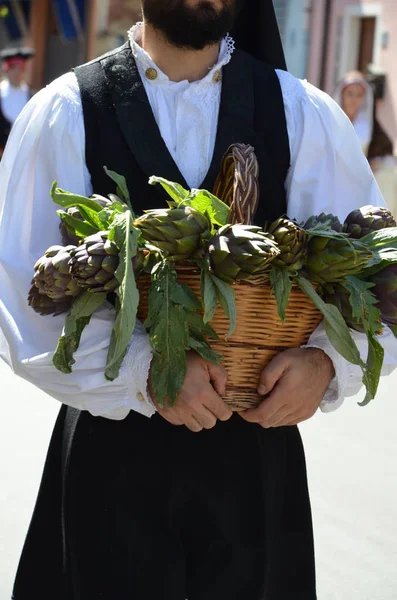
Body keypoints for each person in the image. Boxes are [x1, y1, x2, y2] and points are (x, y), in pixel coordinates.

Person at [1, 1, 397, 598]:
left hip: (255, 469)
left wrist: (326, 364)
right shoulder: (66, 111)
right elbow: (20, 296)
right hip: (112, 466)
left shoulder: (301, 112)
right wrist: (144, 369)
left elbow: (375, 274)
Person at [333, 70, 397, 217]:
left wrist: (373, 164)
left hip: (361, 179)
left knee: (389, 175)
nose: (354, 99)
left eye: (359, 95)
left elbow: (383, 153)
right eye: (350, 94)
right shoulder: (331, 121)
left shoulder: (369, 125)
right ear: (342, 94)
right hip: (335, 177)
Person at [0, 47, 34, 155]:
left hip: (22, 153)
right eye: (13, 68)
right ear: (7, 70)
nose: (16, 72)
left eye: (20, 68)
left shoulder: (31, 96)